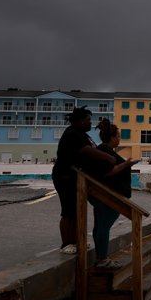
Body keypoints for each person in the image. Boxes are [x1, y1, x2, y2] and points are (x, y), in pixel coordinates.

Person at [52, 107, 116, 254]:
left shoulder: (82, 134)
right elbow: (87, 150)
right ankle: (67, 243)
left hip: (77, 178)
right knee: (68, 211)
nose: (90, 123)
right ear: (80, 121)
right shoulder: (72, 134)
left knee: (76, 210)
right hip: (65, 177)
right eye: (88, 120)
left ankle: (77, 240)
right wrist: (108, 157)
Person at [89, 119, 139, 269]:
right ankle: (103, 259)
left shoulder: (104, 150)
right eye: (118, 135)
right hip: (107, 196)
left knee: (100, 226)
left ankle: (101, 258)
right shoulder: (104, 152)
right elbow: (107, 172)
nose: (119, 138)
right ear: (111, 138)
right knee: (103, 226)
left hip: (104, 194)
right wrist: (126, 164)